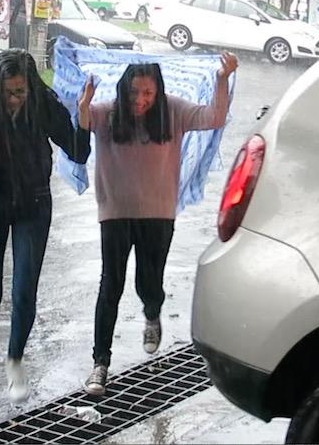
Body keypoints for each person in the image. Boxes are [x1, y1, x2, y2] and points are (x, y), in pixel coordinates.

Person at [77, 55, 238, 396]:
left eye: (148, 93)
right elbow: (86, 121)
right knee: (111, 285)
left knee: (149, 282)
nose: (140, 100)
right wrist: (84, 102)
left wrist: (223, 79)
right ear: (124, 88)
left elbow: (216, 117)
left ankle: (152, 313)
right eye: (134, 92)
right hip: (115, 212)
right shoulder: (110, 112)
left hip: (158, 213)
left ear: (158, 91)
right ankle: (100, 363)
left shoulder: (173, 110)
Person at [0, 49, 94, 409]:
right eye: (7, 93)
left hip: (34, 202)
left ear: (30, 87)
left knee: (24, 289)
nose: (14, 99)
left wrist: (83, 119)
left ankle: (15, 360)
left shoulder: (43, 102)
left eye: (20, 91)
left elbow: (78, 152)